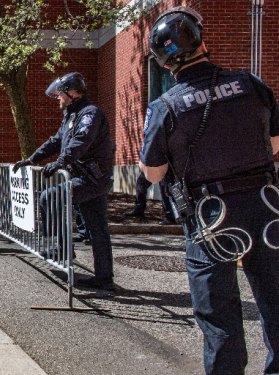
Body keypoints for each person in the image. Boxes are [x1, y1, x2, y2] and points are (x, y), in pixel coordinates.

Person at [141, 7, 279, 374]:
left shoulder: (164, 107)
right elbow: (276, 145)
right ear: (202, 41)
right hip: (267, 209)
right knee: (277, 303)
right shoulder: (252, 85)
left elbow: (154, 174)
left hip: (211, 217)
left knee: (219, 317)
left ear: (165, 62)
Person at [12, 72, 116, 290]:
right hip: (83, 178)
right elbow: (55, 141)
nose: (58, 98)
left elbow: (81, 142)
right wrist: (31, 159)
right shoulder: (71, 116)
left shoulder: (90, 114)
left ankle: (63, 248)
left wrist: (60, 162)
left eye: (60, 94)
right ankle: (104, 278)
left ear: (73, 93)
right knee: (97, 229)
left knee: (49, 197)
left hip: (92, 179)